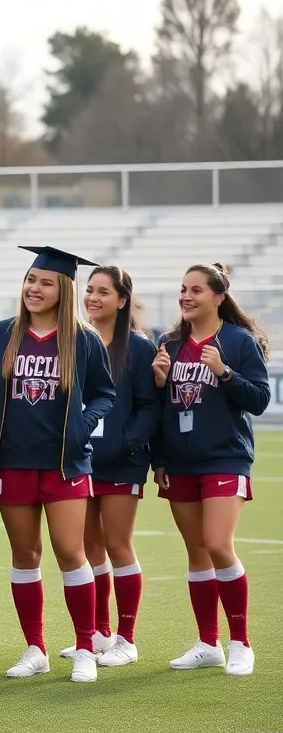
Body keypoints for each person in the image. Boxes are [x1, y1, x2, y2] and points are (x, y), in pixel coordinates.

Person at [0, 246, 116, 684]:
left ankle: (87, 647)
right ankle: (36, 647)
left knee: (72, 553)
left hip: (65, 465)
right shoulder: (1, 335)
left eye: (45, 282)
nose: (34, 288)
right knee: (25, 555)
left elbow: (105, 394)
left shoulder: (83, 338)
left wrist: (82, 425)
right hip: (11, 463)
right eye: (30, 280)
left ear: (63, 289)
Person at [153, 262, 268, 676]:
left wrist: (224, 372)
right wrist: (162, 384)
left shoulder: (238, 341)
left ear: (218, 297)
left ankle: (241, 642)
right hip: (179, 463)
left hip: (225, 458)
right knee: (197, 553)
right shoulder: (169, 341)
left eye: (196, 290)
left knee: (218, 544)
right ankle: (208, 643)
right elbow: (161, 407)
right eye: (183, 288)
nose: (186, 296)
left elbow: (258, 399)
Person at [62, 266, 159, 666]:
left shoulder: (137, 347)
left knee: (118, 545)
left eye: (104, 292)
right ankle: (100, 633)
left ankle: (127, 639)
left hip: (122, 463)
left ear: (122, 300)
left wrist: (124, 445)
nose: (93, 298)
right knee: (89, 548)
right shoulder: (76, 340)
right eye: (89, 290)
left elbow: (150, 408)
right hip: (82, 462)